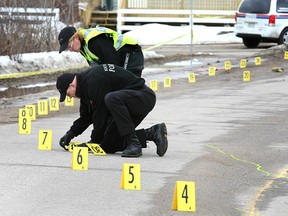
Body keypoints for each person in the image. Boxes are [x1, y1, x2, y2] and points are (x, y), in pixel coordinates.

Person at [56, 64, 168, 157]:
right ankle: (153, 132)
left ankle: (134, 144)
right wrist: (71, 134)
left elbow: (101, 113)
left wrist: (94, 142)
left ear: (72, 85)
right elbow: (87, 117)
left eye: (67, 94)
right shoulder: (84, 89)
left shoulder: (93, 80)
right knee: (108, 145)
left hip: (142, 98)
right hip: (125, 104)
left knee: (111, 98)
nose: (69, 97)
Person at [58, 26, 144, 77]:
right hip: (119, 57)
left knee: (126, 85)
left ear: (76, 37)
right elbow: (97, 68)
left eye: (70, 46)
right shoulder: (83, 48)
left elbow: (113, 64)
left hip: (131, 52)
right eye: (68, 49)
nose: (71, 50)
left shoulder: (94, 42)